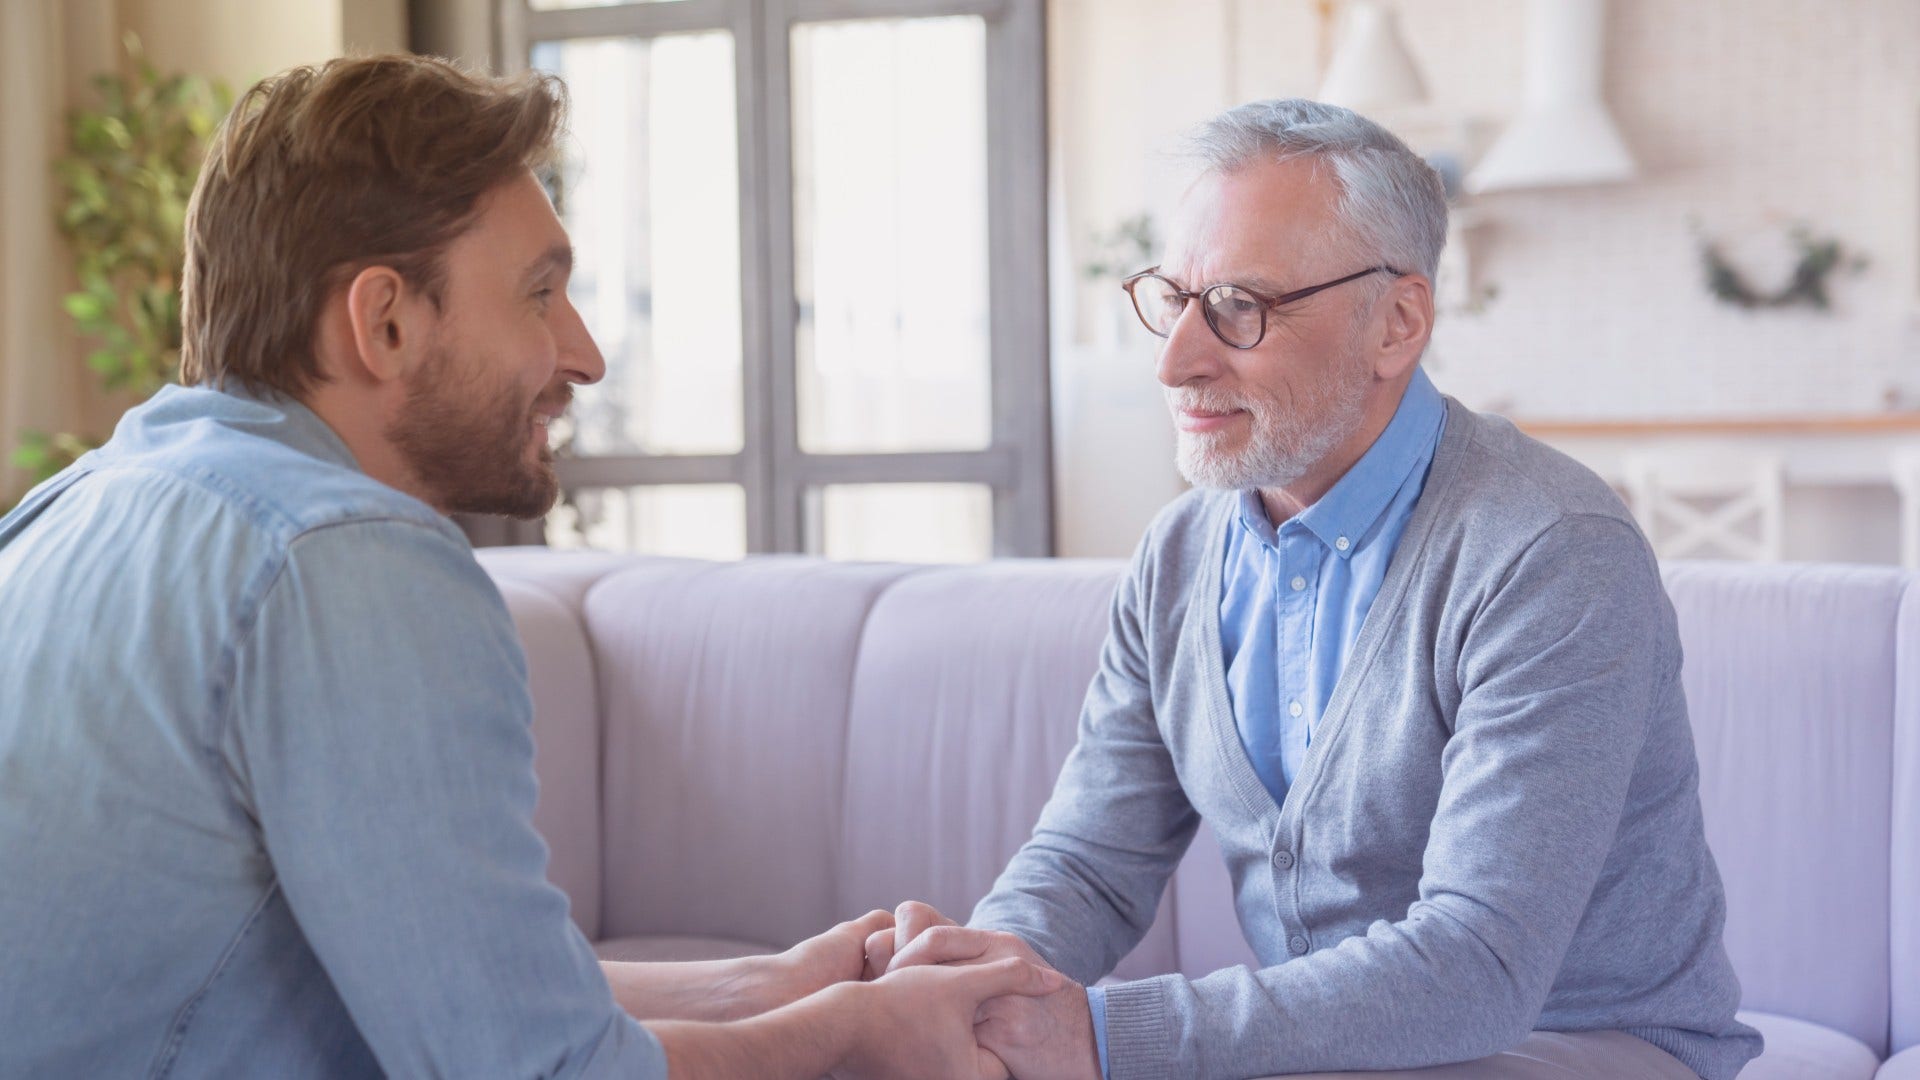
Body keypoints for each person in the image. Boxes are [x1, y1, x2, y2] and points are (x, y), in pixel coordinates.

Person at [0, 55, 1056, 1079]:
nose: (585, 354)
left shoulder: (71, 512)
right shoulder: (350, 561)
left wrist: (774, 986)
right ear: (387, 320)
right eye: (540, 293)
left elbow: (458, 987)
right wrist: (853, 1039)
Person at [866, 99, 1765, 1080]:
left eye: (1240, 307)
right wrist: (976, 981)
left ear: (1398, 322)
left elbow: (1478, 964)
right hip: (1351, 1056)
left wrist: (1096, 1035)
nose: (1176, 361)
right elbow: (1089, 862)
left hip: (1591, 1047)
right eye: (1174, 300)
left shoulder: (1548, 552)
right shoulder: (1176, 557)